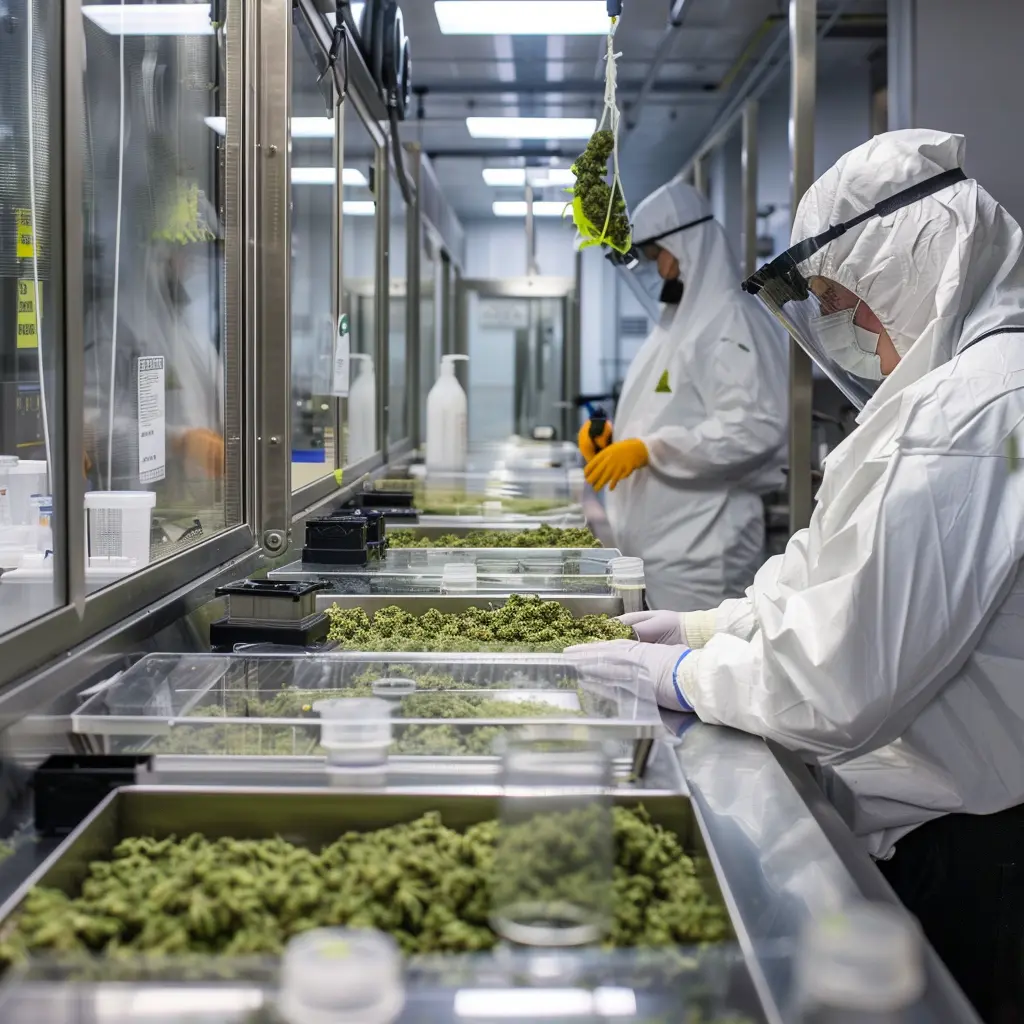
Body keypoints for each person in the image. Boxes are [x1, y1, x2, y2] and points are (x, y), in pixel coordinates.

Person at [567, 128, 1024, 1023]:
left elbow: (842, 673)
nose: (847, 329)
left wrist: (691, 677)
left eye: (846, 301)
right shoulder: (948, 393)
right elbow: (832, 565)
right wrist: (714, 628)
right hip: (948, 817)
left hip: (984, 842)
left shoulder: (973, 411)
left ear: (913, 262)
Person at [578, 179, 789, 611]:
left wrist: (649, 450)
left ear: (688, 246)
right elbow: (671, 409)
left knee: (698, 671)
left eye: (661, 257)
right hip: (665, 552)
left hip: (703, 555)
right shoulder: (677, 325)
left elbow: (754, 427)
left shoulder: (730, 322)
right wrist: (615, 439)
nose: (661, 271)